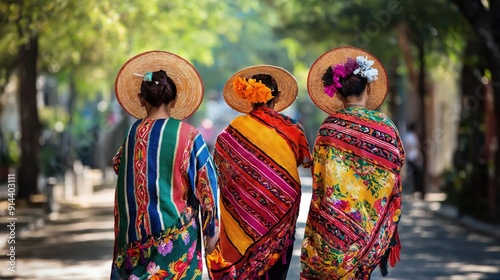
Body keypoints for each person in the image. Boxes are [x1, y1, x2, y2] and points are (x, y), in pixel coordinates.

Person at [111, 51, 219, 280]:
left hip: (132, 240)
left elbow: (118, 165)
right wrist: (211, 230)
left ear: (141, 99)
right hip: (175, 239)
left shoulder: (131, 134)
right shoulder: (188, 136)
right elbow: (207, 182)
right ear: (174, 100)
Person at [301, 47, 406, 279]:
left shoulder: (329, 128)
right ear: (368, 88)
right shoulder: (385, 126)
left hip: (333, 229)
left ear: (338, 94)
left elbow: (318, 177)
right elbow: (397, 168)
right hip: (370, 226)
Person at [207, 65, 312, 279]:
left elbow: (220, 171)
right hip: (281, 220)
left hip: (240, 217)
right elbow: (305, 160)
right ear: (277, 96)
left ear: (249, 97)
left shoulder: (230, 131)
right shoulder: (292, 129)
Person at [404, 123, 424, 199]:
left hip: (409, 157)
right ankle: (416, 190)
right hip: (414, 157)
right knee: (417, 175)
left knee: (412, 175)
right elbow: (417, 146)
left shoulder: (407, 136)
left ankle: (414, 191)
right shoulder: (413, 136)